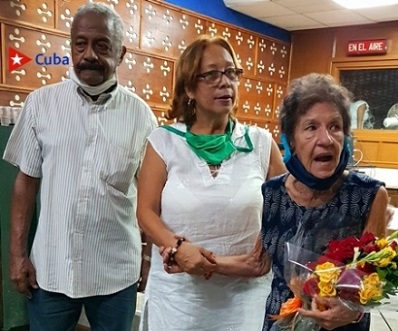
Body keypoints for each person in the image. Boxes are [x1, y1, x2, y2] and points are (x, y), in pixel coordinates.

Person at [3, 3, 157, 331]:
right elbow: (25, 182)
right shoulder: (41, 104)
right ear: (71, 46)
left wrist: (148, 258)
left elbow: (151, 198)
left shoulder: (141, 117)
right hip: (51, 269)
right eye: (80, 44)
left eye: (102, 45)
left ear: (121, 53)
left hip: (116, 274)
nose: (89, 54)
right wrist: (17, 254)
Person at [136, 35, 286, 331]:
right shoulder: (164, 142)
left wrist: (268, 244)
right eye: (212, 74)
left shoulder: (259, 143)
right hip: (179, 298)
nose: (225, 82)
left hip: (245, 297)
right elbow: (145, 212)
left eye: (231, 73)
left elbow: (286, 204)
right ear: (189, 87)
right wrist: (176, 246)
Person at [261, 73, 388, 331]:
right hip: (281, 322)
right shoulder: (272, 193)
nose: (326, 139)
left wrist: (353, 311)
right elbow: (258, 261)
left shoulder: (368, 195)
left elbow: (376, 277)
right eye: (311, 127)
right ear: (291, 140)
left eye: (335, 126)